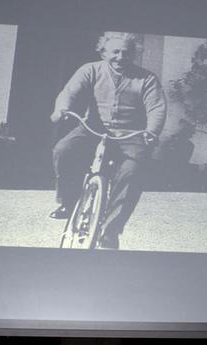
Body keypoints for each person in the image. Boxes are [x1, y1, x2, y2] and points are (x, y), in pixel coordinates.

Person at [50, 31, 167, 249]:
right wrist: (61, 109)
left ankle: (111, 231)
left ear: (134, 54)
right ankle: (67, 201)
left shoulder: (147, 79)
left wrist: (152, 130)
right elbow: (69, 92)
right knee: (63, 150)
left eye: (126, 52)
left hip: (130, 134)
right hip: (92, 129)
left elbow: (157, 107)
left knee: (132, 173)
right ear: (103, 53)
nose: (121, 57)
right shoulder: (90, 70)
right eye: (115, 52)